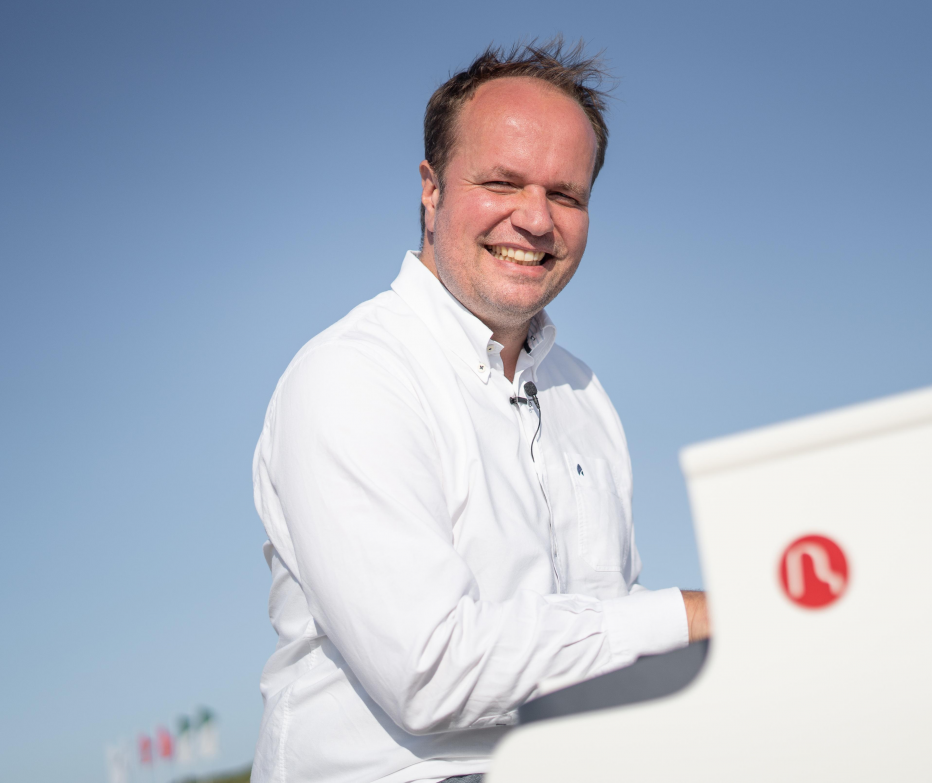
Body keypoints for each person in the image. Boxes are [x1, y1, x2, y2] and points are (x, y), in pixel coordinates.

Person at [251, 39, 709, 783]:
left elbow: (599, 623)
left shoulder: (583, 393)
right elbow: (432, 670)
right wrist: (679, 620)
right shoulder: (352, 375)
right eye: (502, 182)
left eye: (566, 195)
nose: (536, 219)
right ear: (431, 188)